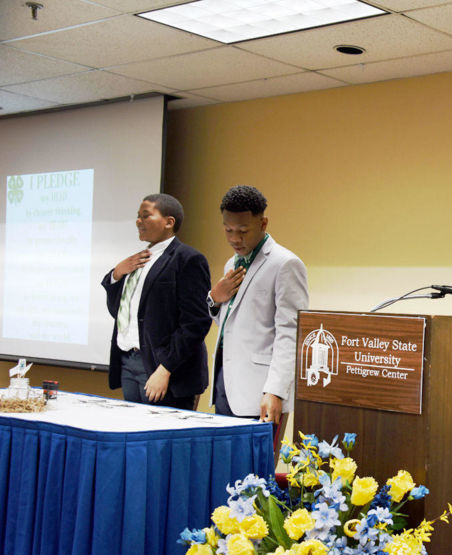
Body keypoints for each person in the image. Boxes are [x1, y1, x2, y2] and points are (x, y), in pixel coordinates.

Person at [207, 185, 308, 440]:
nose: (234, 239)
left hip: (260, 391)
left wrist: (275, 391)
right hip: (226, 383)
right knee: (226, 472)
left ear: (263, 223)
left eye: (243, 231)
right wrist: (214, 300)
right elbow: (230, 323)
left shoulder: (285, 263)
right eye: (228, 230)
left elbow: (291, 333)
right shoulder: (233, 263)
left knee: (254, 476)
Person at [101, 193, 211, 410]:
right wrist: (117, 274)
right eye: (137, 216)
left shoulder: (188, 259)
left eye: (146, 216)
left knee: (162, 441)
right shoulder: (138, 260)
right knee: (135, 437)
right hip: (129, 362)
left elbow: (196, 323)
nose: (138, 221)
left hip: (164, 369)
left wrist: (165, 368)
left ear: (169, 222)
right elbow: (120, 311)